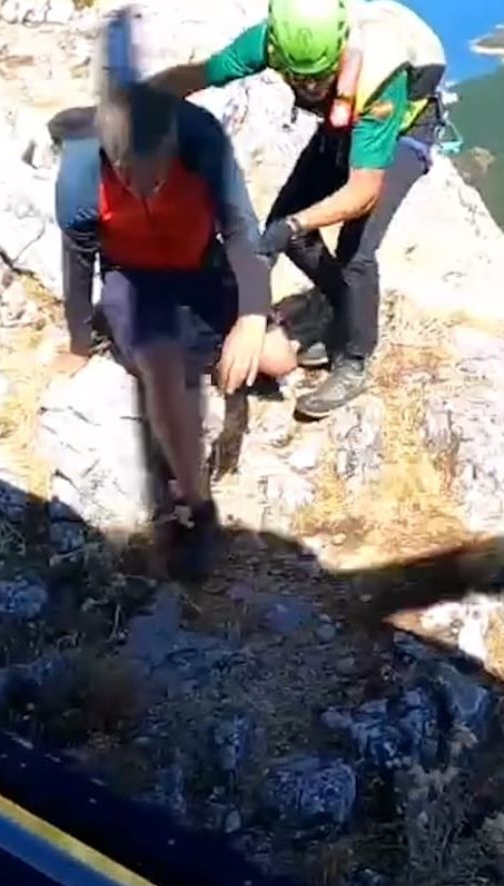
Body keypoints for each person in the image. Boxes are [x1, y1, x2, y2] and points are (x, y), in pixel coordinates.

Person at [50, 77, 300, 580]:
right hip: (132, 275)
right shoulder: (80, 180)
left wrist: (252, 316)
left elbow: (241, 233)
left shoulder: (203, 142)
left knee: (278, 360)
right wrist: (79, 342)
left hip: (201, 263)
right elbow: (78, 266)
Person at [149, 0, 448, 419]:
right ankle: (345, 308)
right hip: (344, 119)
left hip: (402, 129)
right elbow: (202, 74)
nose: (308, 89)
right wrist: (137, 102)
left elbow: (363, 190)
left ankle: (354, 359)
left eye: (318, 79)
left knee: (355, 252)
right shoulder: (272, 42)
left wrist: (295, 223)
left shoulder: (380, 73)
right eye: (299, 80)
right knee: (285, 227)